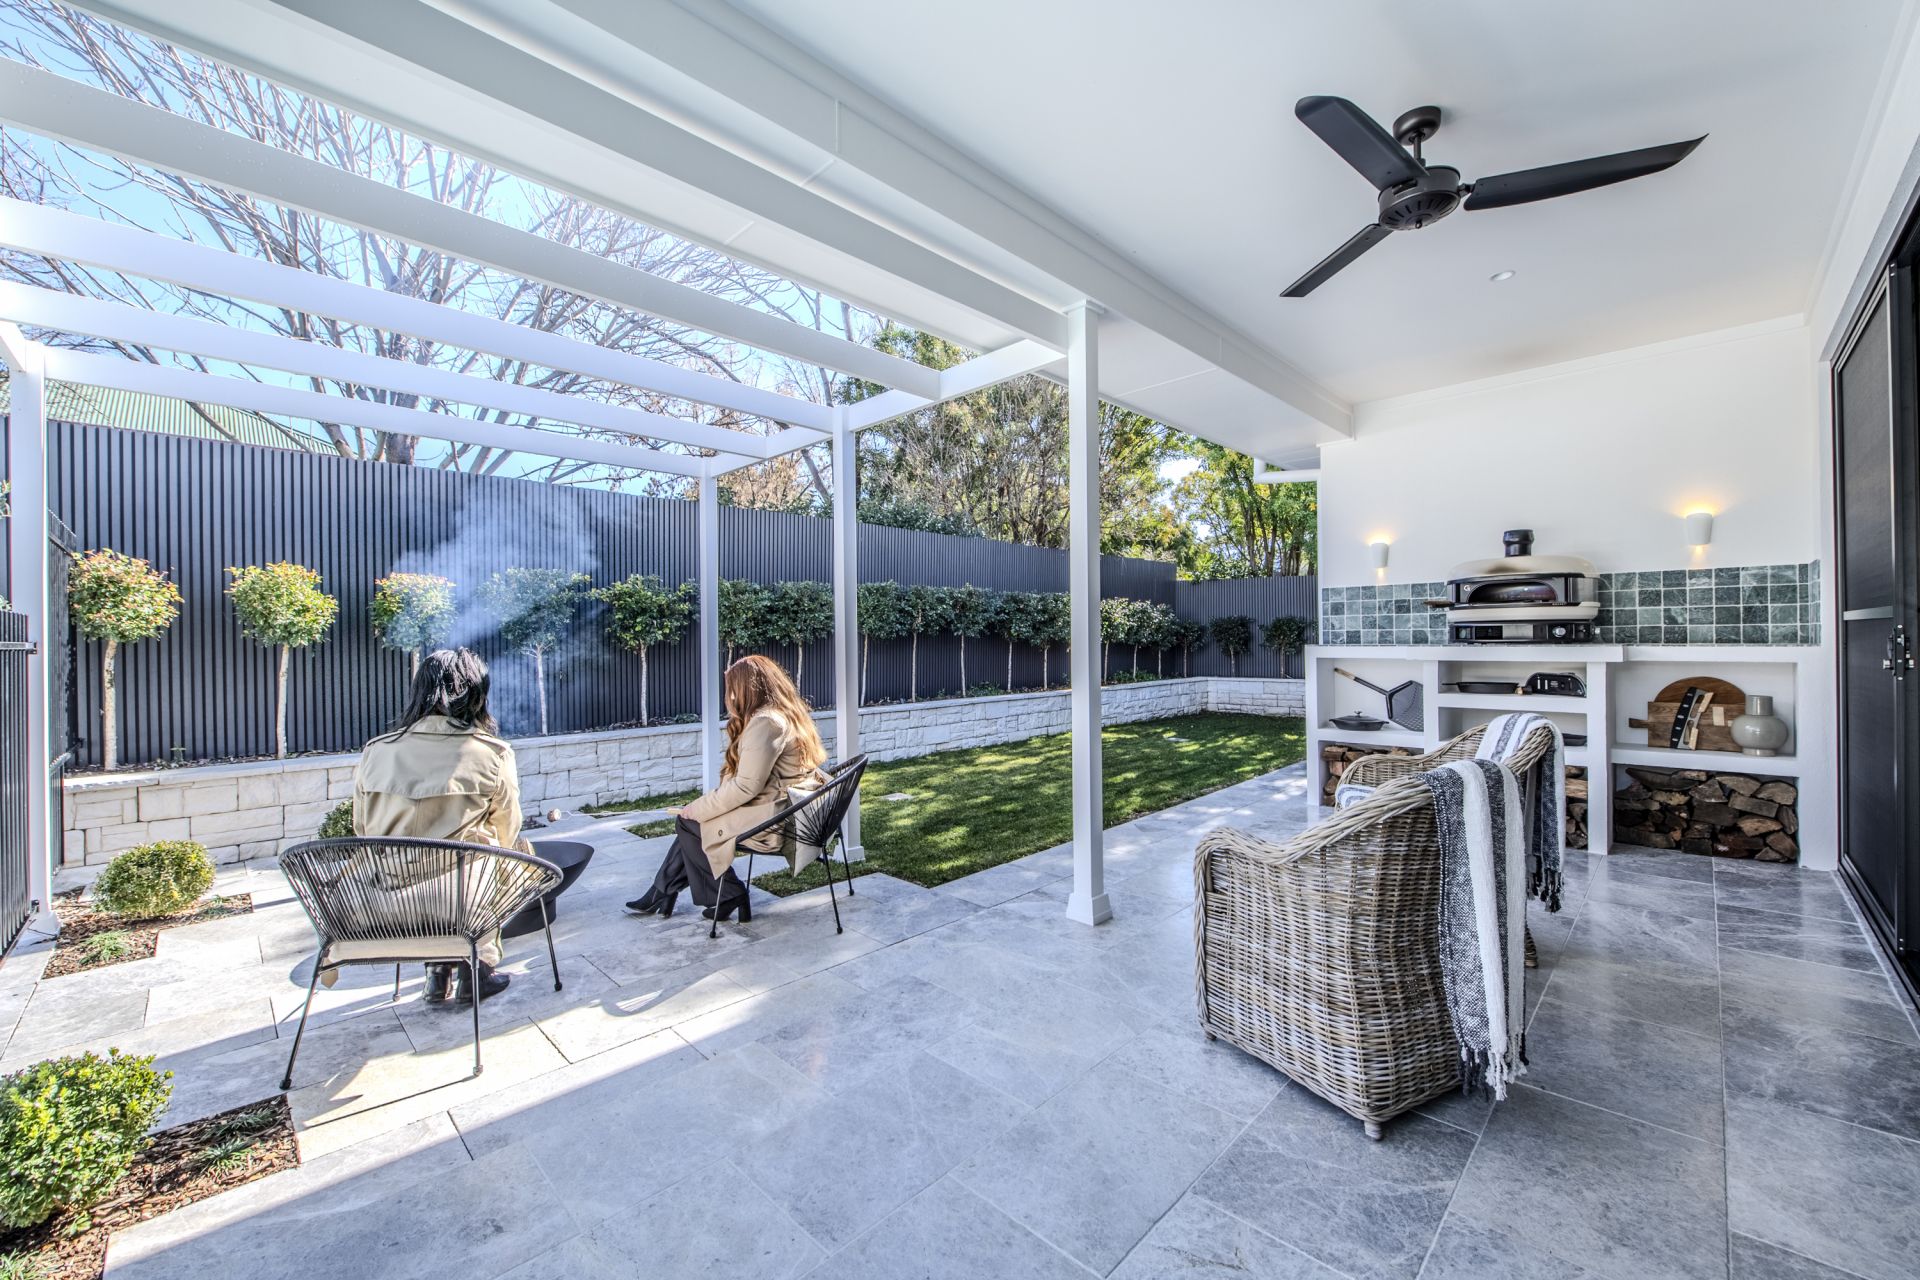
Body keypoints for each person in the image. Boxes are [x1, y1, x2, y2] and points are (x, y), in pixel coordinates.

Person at [353, 648, 528, 1004]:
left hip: (384, 902)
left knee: (443, 870)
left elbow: (362, 827)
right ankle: (477, 969)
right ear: (476, 694)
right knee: (507, 858)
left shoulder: (376, 751)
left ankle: (437, 972)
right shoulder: (492, 753)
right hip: (462, 901)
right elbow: (508, 828)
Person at [628, 654, 828, 921]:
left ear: (747, 688)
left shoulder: (767, 722)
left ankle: (728, 893)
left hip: (778, 821)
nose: (730, 696)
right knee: (692, 823)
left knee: (690, 823)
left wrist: (697, 808)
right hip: (786, 808)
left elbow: (746, 787)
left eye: (732, 688)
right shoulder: (786, 714)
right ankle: (663, 890)